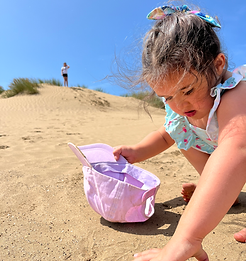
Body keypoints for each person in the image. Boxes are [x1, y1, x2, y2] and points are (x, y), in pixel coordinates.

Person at [113, 4, 246, 261]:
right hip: (230, 153)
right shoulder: (181, 109)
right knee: (180, 133)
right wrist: (137, 152)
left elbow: (235, 149)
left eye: (187, 91)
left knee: (232, 153)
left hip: (239, 146)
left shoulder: (235, 91)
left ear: (218, 64)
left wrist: (186, 239)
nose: (179, 105)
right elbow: (165, 135)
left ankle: (219, 187)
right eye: (166, 97)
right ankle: (218, 190)